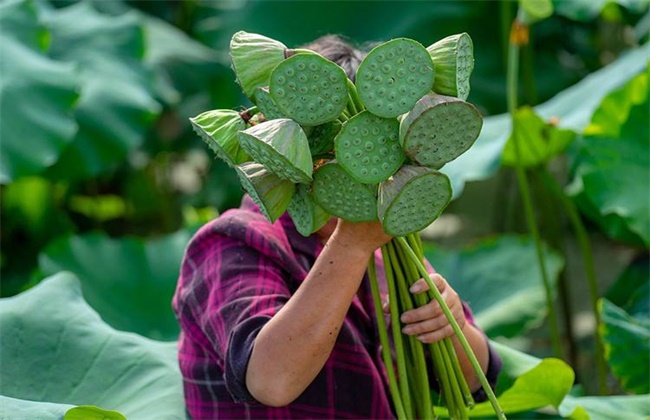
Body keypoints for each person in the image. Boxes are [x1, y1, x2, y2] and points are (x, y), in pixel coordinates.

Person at [172, 35, 501, 419]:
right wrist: (351, 245)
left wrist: (452, 323)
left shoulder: (389, 244)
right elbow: (270, 381)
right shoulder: (235, 240)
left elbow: (475, 383)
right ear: (292, 149)